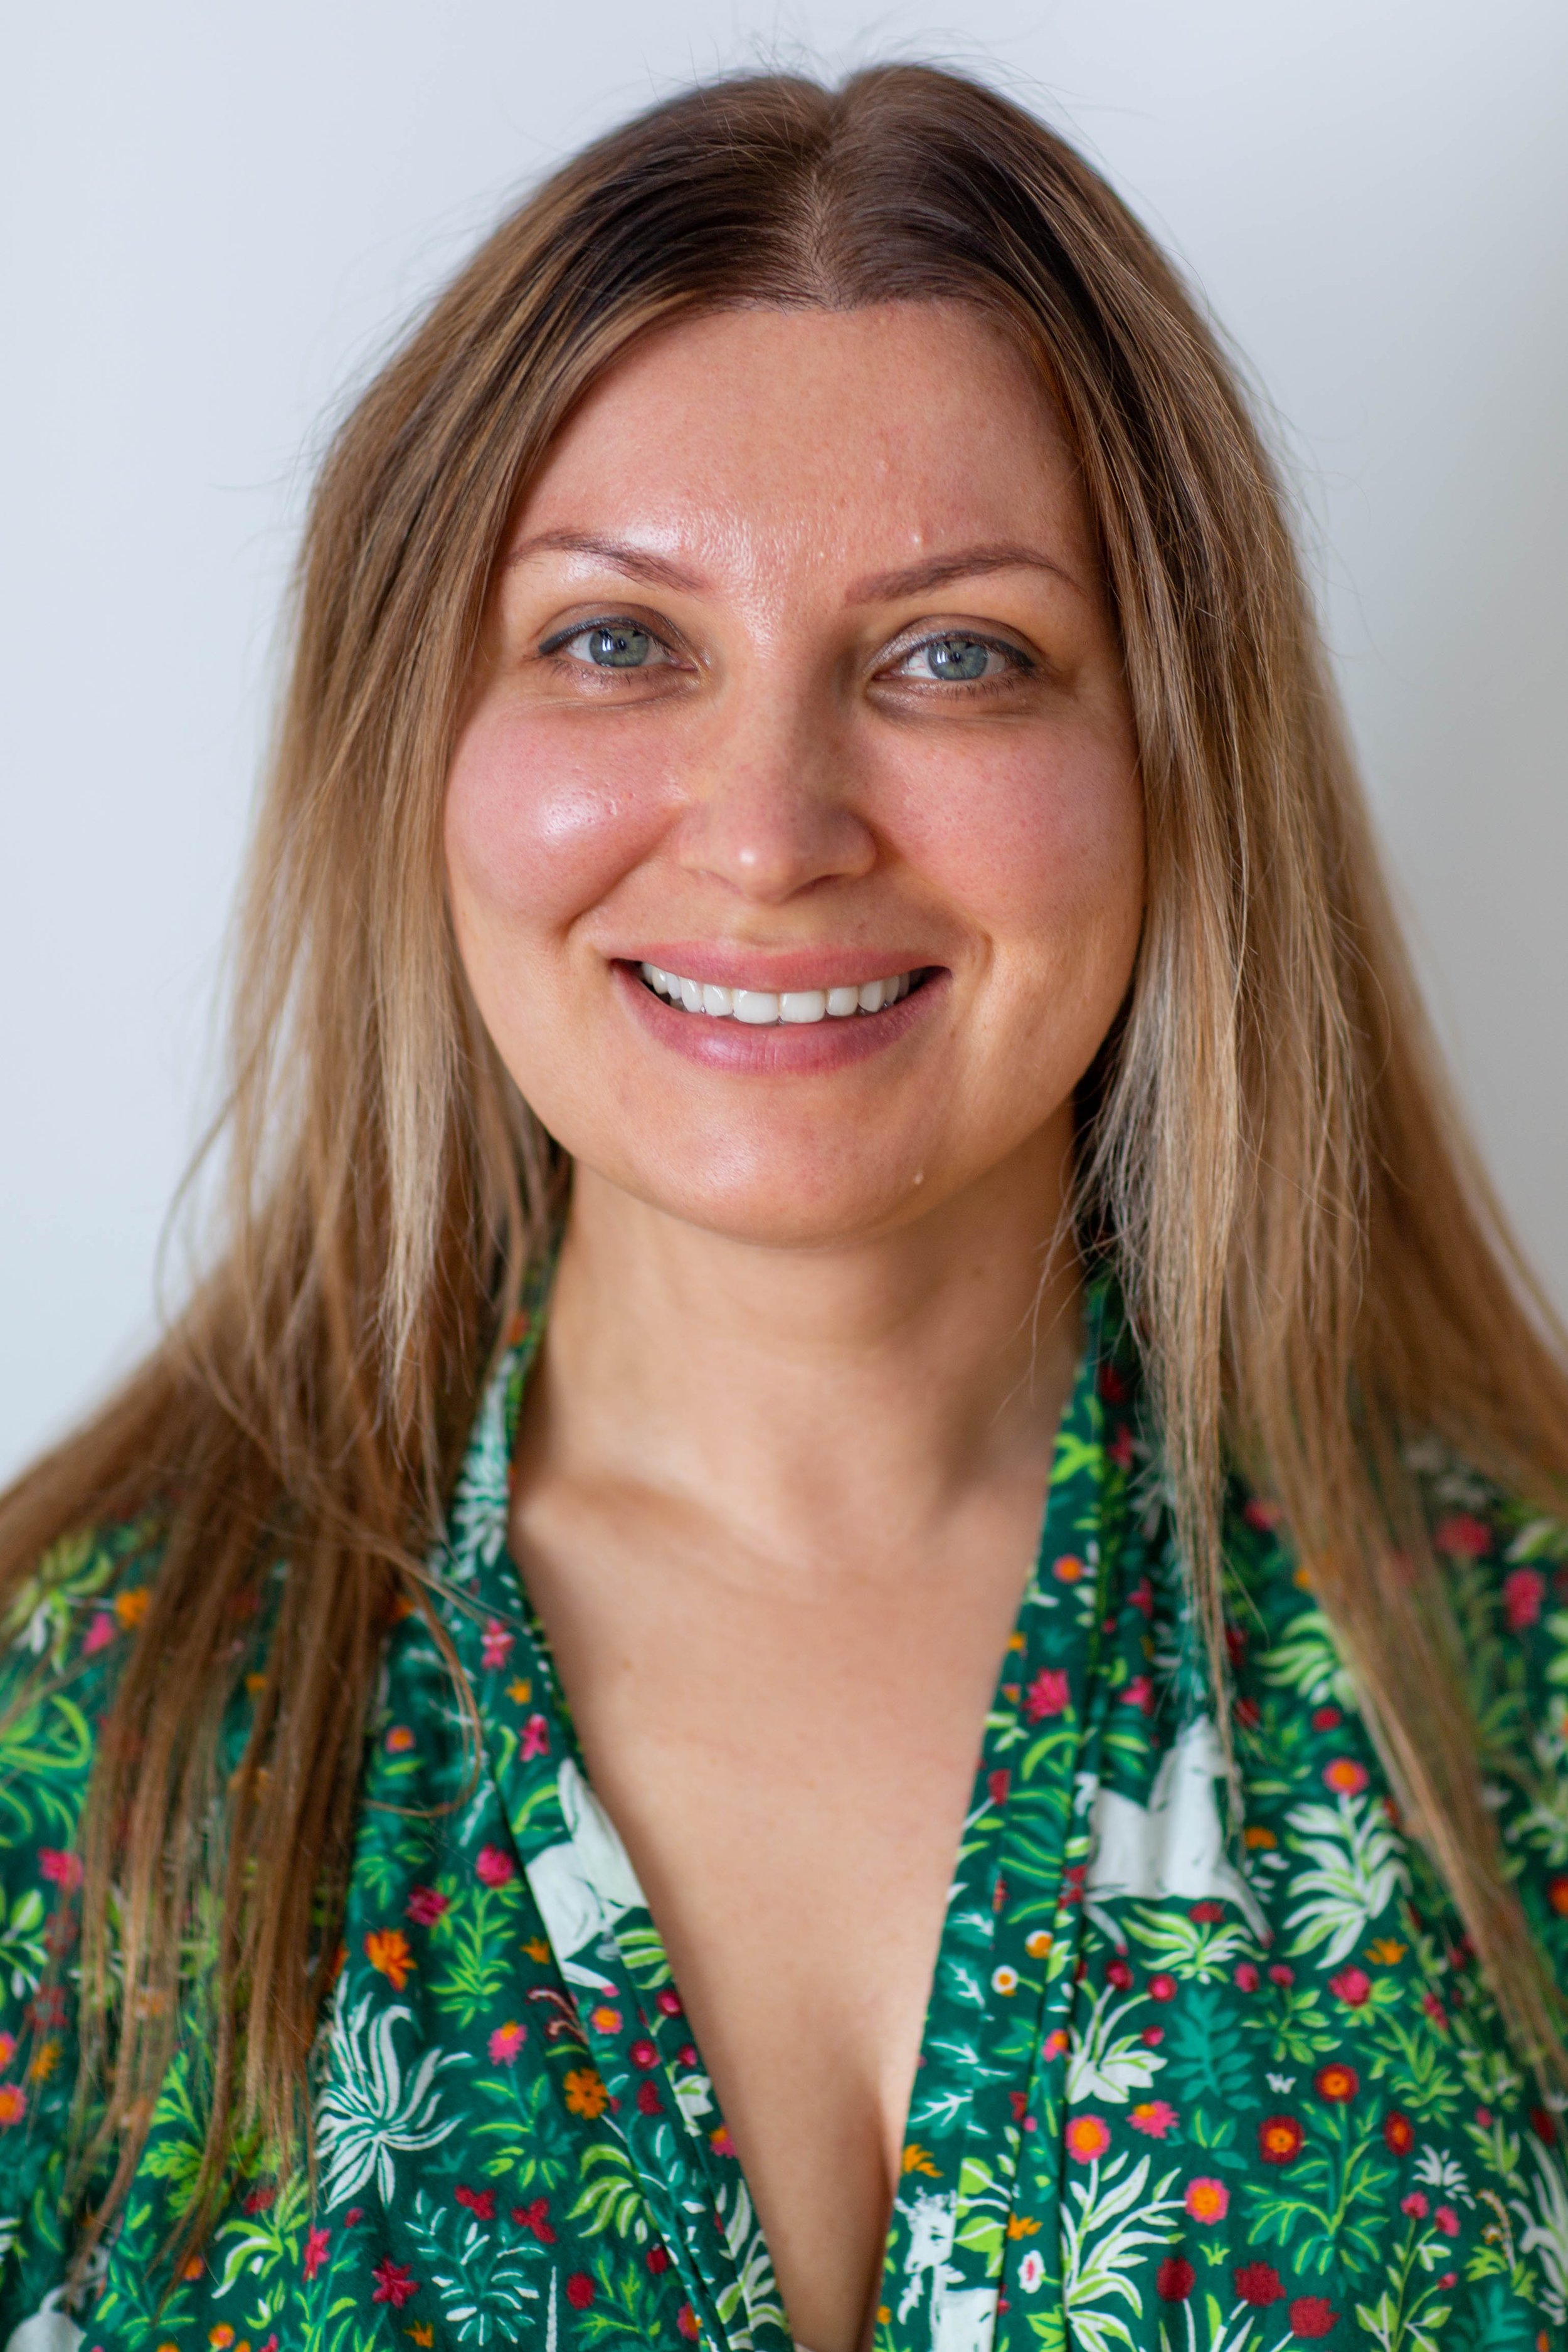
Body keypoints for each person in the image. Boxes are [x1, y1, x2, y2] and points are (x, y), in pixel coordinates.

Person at [2, 60, 1566, 2352]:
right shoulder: (82, 1719)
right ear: (418, 741)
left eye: (957, 653)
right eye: (617, 639)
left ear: (1169, 757)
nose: (767, 827)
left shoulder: (1518, 1683)